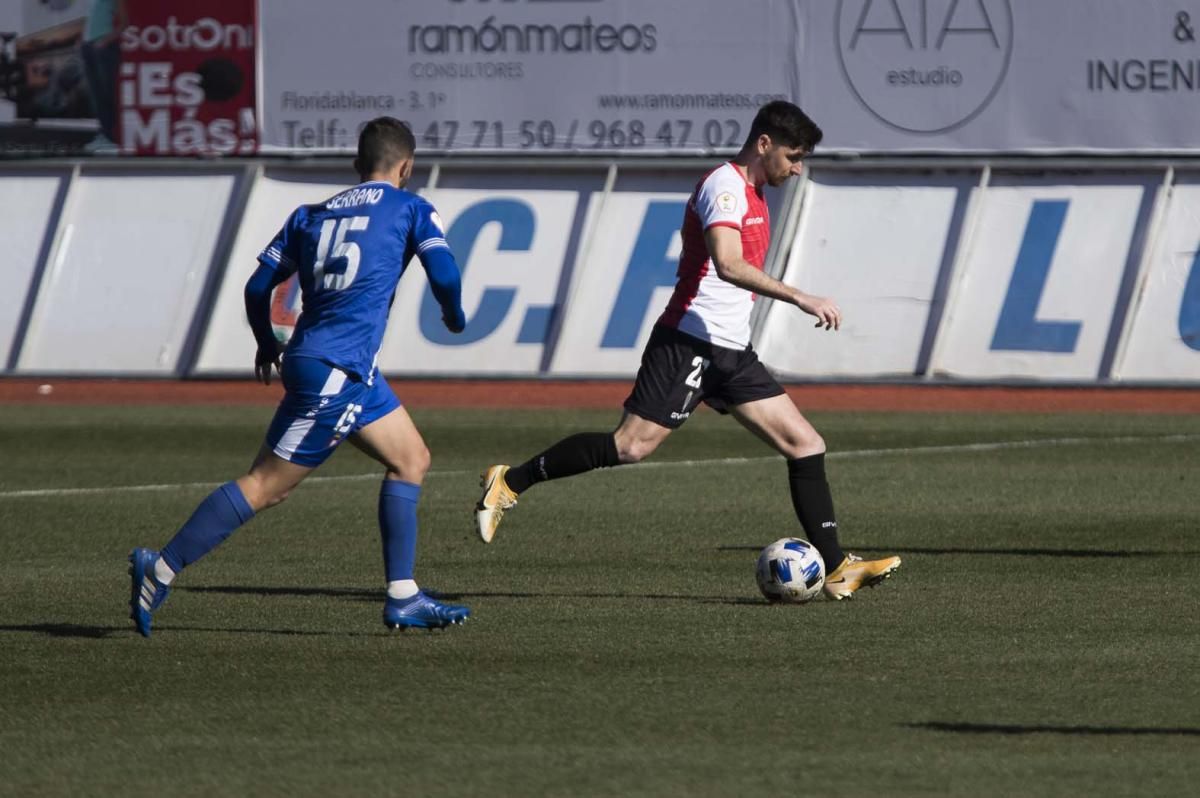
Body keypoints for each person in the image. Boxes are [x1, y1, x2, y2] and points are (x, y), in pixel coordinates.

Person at [475, 101, 900, 600]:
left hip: (731, 352)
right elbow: (727, 263)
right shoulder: (724, 186)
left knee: (806, 444)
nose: (798, 167)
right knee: (631, 447)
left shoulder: (758, 192)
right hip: (688, 341)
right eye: (793, 155)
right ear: (764, 144)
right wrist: (800, 296)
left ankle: (835, 567)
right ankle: (510, 481)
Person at [130, 117, 471, 636]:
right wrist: (454, 315)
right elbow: (444, 274)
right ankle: (160, 568)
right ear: (407, 167)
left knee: (411, 459)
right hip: (336, 371)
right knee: (267, 486)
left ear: (358, 166)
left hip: (342, 366)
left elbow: (255, 287)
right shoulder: (411, 208)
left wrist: (268, 343)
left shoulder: (309, 215)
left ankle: (403, 595)